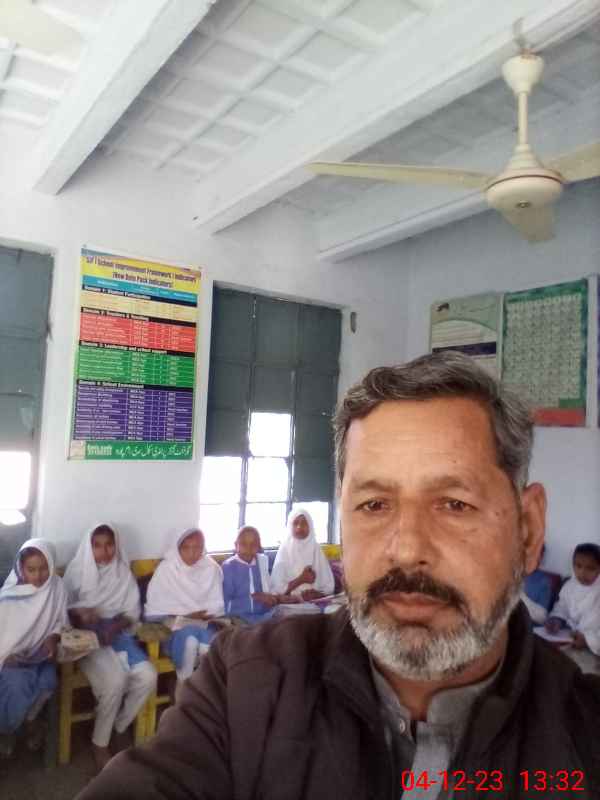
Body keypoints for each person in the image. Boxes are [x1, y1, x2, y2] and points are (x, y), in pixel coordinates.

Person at [76, 352, 600, 800]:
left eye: (454, 504)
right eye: (374, 504)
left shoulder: (583, 733)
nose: (407, 549)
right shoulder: (246, 686)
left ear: (528, 530)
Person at [64, 523, 156, 772]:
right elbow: (62, 613)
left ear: (116, 545)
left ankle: (119, 725)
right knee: (114, 682)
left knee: (149, 676)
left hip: (118, 636)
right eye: (97, 546)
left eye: (109, 545)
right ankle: (99, 744)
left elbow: (132, 612)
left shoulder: (122, 573)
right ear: (89, 547)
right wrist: (81, 615)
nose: (104, 551)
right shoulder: (76, 573)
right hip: (88, 641)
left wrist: (115, 626)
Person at [0, 539, 68, 758]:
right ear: (21, 568)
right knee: (18, 685)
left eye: (43, 568)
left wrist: (52, 638)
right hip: (11, 659)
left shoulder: (57, 587)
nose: (38, 576)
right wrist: (5, 657)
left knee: (48, 681)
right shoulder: (8, 597)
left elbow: (60, 621)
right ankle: (7, 730)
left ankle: (28, 720)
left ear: (51, 564)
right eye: (31, 570)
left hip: (40, 654)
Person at [144, 528, 224, 683]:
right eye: (186, 548)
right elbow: (156, 607)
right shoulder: (167, 568)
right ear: (178, 548)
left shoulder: (211, 567)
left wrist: (209, 614)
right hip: (174, 625)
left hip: (205, 623)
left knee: (207, 644)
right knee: (190, 640)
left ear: (203, 547)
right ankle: (184, 684)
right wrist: (186, 614)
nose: (192, 553)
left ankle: (204, 686)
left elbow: (217, 603)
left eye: (197, 547)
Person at [545, 543, 600, 660]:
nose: (582, 573)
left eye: (590, 568)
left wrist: (588, 641)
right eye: (578, 566)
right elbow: (562, 607)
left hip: (593, 649)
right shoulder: (570, 585)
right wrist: (556, 620)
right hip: (569, 639)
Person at [271, 507, 334, 601]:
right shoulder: (285, 549)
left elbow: (328, 586)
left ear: (310, 526)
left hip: (315, 602)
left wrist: (317, 594)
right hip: (290, 602)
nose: (299, 527)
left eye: (304, 523)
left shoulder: (316, 548)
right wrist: (301, 579)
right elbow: (277, 589)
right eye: (295, 523)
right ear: (290, 526)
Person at [222, 526, 279, 623]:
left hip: (266, 615)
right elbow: (226, 605)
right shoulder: (228, 567)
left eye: (253, 544)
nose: (248, 548)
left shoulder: (261, 562)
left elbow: (269, 591)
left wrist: (273, 599)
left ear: (259, 546)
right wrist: (254, 599)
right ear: (236, 545)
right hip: (239, 618)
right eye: (243, 544)